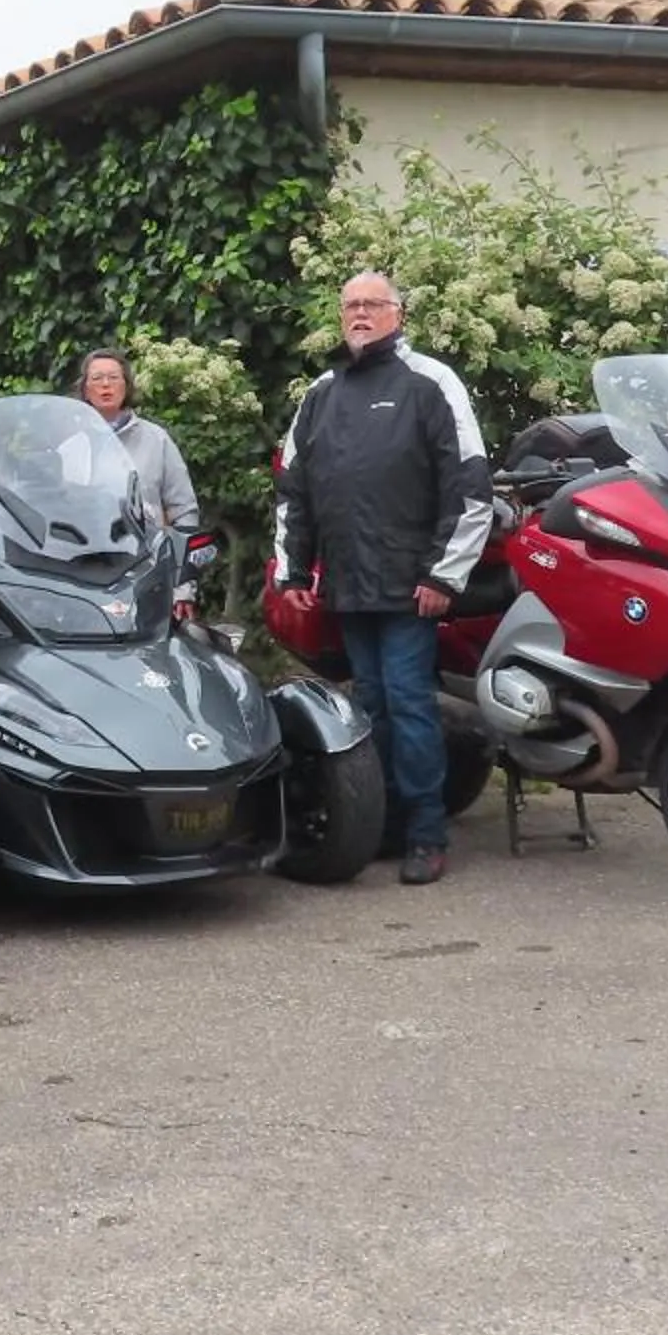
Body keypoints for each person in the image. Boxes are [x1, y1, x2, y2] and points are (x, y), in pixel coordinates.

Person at [270, 271, 492, 884]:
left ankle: (426, 835)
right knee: (370, 707)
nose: (360, 314)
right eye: (351, 305)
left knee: (409, 703)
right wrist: (293, 570)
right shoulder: (321, 393)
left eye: (372, 304)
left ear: (398, 313)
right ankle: (382, 823)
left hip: (410, 587)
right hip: (348, 585)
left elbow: (470, 485)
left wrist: (444, 575)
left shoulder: (431, 382)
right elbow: (294, 489)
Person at [71, 346, 199, 530]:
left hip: (145, 545)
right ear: (85, 389)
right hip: (87, 544)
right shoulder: (72, 443)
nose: (106, 384)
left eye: (114, 377)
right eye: (97, 378)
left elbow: (184, 509)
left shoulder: (156, 439)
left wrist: (180, 542)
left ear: (126, 385)